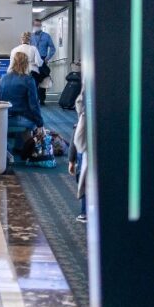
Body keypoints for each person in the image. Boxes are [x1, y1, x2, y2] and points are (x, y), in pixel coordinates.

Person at [0, 51, 43, 147]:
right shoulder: (28, 80)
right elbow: (34, 105)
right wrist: (40, 124)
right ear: (26, 64)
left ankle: (19, 147)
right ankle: (22, 148)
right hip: (21, 119)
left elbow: (0, 99)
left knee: (24, 117)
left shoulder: (3, 78)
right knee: (32, 121)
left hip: (4, 118)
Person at [68, 89, 87, 223]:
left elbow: (76, 139)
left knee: (85, 178)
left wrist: (71, 160)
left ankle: (85, 212)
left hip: (85, 149)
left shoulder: (83, 117)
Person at [30, 20, 55, 105]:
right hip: (33, 61)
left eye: (39, 25)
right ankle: (35, 99)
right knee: (34, 80)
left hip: (43, 60)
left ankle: (42, 99)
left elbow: (52, 48)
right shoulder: (30, 36)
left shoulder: (46, 36)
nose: (37, 26)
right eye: (36, 25)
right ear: (33, 25)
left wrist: (47, 58)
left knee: (43, 80)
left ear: (41, 26)